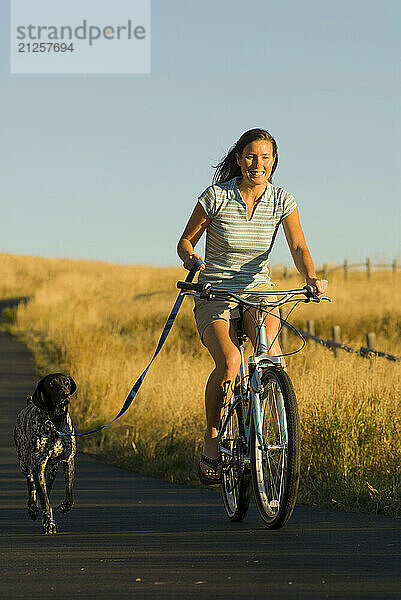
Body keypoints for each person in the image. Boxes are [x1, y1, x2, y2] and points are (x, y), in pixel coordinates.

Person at [177, 128, 328, 485]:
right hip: (215, 292)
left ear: (274, 162)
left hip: (258, 290)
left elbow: (298, 247)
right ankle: (213, 436)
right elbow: (185, 240)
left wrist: (311, 277)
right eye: (250, 156)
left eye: (265, 157)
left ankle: (269, 424)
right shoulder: (216, 197)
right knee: (230, 363)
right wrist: (191, 259)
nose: (257, 164)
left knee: (270, 355)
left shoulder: (282, 200)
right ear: (239, 159)